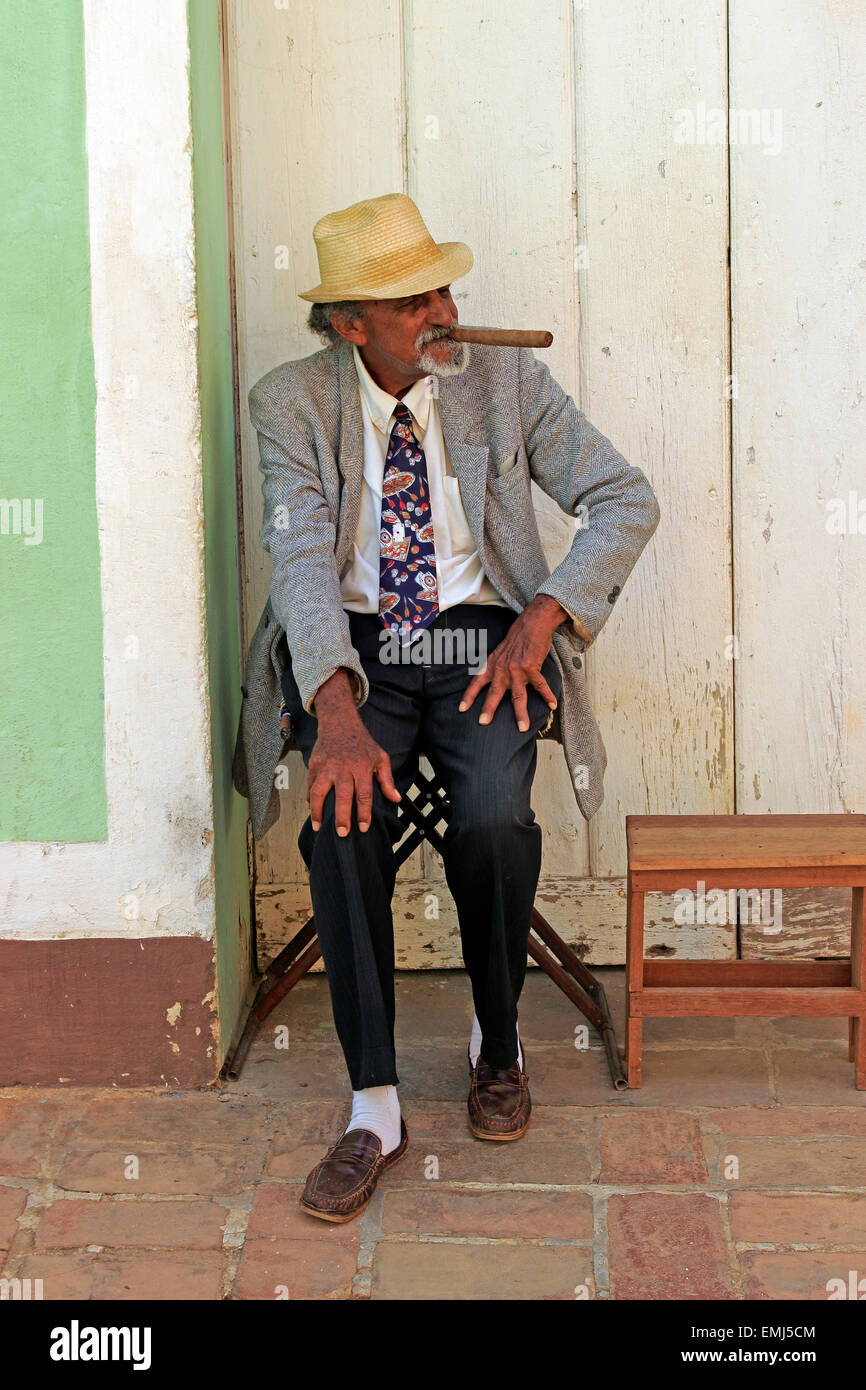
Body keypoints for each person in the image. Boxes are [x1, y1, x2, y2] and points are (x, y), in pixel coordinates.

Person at [232, 192, 660, 1222]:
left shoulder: (503, 378)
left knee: (488, 815)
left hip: (483, 638)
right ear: (347, 324)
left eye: (441, 284)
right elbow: (297, 556)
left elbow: (624, 496)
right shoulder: (288, 403)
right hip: (357, 649)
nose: (442, 307)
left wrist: (541, 619)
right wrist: (330, 710)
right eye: (411, 296)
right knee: (341, 819)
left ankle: (496, 1039)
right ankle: (373, 1102)